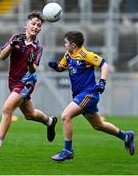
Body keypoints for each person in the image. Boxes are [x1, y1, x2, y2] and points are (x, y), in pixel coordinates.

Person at [48, 30, 135, 161]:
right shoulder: (68, 55)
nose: (64, 45)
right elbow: (62, 67)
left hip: (89, 94)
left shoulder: (85, 55)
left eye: (66, 43)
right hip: (80, 95)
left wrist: (102, 82)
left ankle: (67, 150)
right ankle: (126, 136)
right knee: (99, 125)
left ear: (73, 45)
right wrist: (56, 67)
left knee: (66, 116)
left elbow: (104, 65)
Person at [0, 12, 57, 158]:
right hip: (13, 81)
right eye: (33, 23)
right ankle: (50, 121)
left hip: (26, 81)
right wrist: (12, 45)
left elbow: (33, 69)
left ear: (40, 29)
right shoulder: (15, 38)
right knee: (30, 114)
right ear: (26, 24)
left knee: (7, 108)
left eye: (39, 25)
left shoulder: (38, 47)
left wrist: (30, 63)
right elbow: (2, 56)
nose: (36, 27)